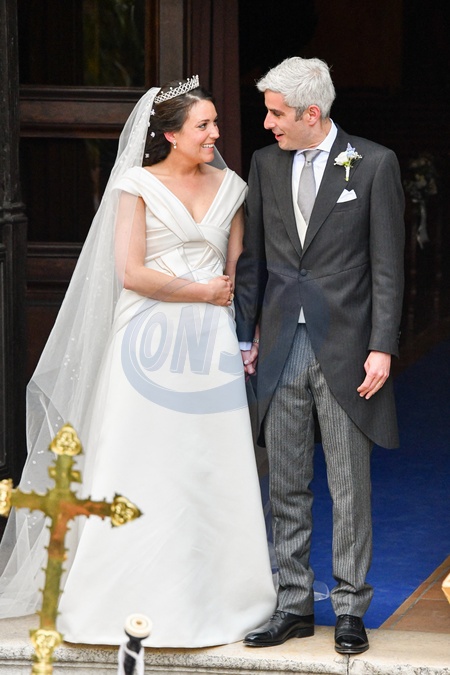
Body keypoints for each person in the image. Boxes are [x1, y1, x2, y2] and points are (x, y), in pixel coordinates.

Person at [0, 77, 276, 647]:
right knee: (144, 461)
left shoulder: (233, 188)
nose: (215, 134)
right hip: (145, 341)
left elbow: (238, 269)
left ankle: (222, 597)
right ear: (171, 134)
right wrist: (201, 292)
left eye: (215, 123)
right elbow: (130, 272)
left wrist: (243, 329)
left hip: (210, 345)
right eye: (203, 125)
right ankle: (118, 599)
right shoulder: (137, 185)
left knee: (212, 466)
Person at [234, 57, 405, 654]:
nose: (267, 124)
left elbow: (388, 265)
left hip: (349, 348)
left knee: (349, 484)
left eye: (276, 113)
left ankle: (351, 608)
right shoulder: (264, 164)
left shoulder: (374, 163)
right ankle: (294, 605)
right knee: (285, 481)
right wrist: (245, 336)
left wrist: (382, 346)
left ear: (312, 113)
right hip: (280, 344)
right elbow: (253, 259)